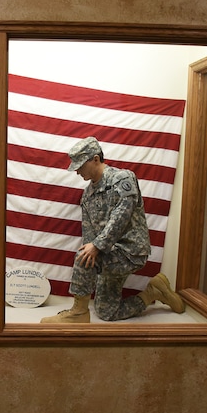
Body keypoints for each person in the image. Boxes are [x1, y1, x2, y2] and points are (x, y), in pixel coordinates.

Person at [41, 137, 184, 323]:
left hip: (130, 251)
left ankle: (78, 313)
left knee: (82, 259)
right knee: (107, 312)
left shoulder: (122, 179)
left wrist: (96, 247)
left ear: (95, 159)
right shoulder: (88, 194)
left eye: (80, 165)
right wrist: (92, 251)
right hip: (109, 253)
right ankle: (153, 293)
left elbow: (122, 216)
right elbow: (89, 233)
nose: (77, 171)